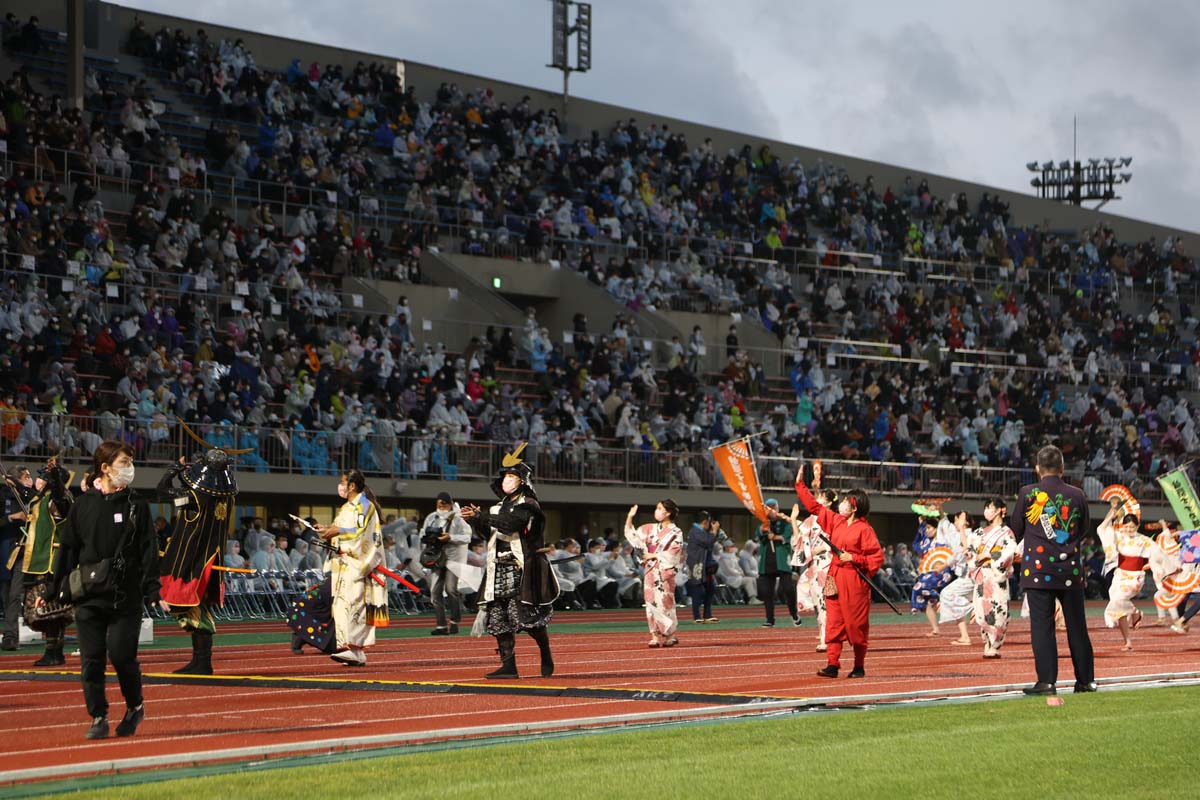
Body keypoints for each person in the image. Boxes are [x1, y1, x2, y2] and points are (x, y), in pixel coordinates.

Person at [51, 441, 160, 740]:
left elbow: (149, 548)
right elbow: (69, 549)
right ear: (105, 468)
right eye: (124, 462)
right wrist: (56, 587)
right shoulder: (83, 505)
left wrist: (153, 588)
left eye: (130, 462)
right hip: (89, 594)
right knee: (92, 658)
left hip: (126, 596)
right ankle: (98, 715)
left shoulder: (137, 505)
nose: (129, 468)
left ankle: (135, 706)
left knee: (122, 655)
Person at [462, 443, 558, 678]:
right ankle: (508, 666)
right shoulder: (495, 508)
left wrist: (481, 516)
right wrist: (475, 521)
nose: (507, 479)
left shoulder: (529, 505)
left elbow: (511, 524)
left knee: (527, 618)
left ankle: (545, 652)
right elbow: (490, 534)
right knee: (498, 618)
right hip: (497, 568)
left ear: (522, 480)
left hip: (522, 567)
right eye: (505, 475)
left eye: (512, 475)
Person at [1011, 445, 1095, 695]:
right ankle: (1085, 681)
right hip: (1070, 571)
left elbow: (1016, 529)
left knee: (1042, 628)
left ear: (1037, 468)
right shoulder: (1077, 494)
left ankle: (1047, 682)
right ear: (1062, 468)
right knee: (1077, 627)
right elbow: (1084, 529)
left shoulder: (1028, 493)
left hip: (1037, 573)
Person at [795, 464, 884, 678]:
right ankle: (832, 664)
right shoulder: (836, 521)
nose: (841, 504)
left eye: (845, 502)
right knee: (833, 621)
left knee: (856, 625)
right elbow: (816, 508)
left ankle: (859, 666)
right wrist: (800, 486)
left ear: (854, 507)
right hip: (834, 577)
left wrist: (853, 557)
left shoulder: (865, 529)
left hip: (854, 582)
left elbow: (876, 558)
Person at [155, 449, 239, 674]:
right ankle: (200, 660)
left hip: (191, 562)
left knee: (196, 611)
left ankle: (203, 662)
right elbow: (201, 485)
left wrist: (174, 470)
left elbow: (162, 493)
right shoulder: (227, 497)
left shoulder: (193, 498)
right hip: (211, 561)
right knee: (197, 609)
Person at [315, 469, 386, 666]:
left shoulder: (365, 505)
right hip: (343, 565)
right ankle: (352, 649)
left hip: (358, 563)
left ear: (352, 486)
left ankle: (356, 649)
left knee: (356, 604)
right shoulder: (346, 508)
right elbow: (340, 529)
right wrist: (327, 531)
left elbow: (362, 533)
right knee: (342, 606)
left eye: (342, 482)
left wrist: (337, 531)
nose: (340, 485)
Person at [13, 460, 74, 666]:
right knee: (46, 610)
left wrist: (56, 479)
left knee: (51, 609)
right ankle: (54, 650)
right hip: (39, 560)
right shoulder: (40, 498)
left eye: (44, 477)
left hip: (51, 560)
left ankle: (54, 651)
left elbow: (61, 499)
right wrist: (13, 482)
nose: (39, 480)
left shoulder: (58, 498)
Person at [624, 499, 684, 647]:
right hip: (651, 570)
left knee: (666, 602)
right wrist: (630, 516)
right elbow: (634, 537)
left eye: (659, 508)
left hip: (665, 571)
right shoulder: (649, 528)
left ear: (668, 512)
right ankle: (655, 636)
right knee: (651, 602)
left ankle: (669, 635)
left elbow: (675, 551)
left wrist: (655, 555)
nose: (656, 511)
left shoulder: (676, 532)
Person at [1096, 501, 1152, 650]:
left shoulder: (1144, 541)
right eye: (1126, 526)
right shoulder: (1118, 536)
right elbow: (1102, 528)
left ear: (1137, 526)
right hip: (1119, 575)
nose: (1128, 529)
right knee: (1118, 605)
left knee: (1118, 600)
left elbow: (1157, 558)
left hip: (1135, 578)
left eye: (1132, 527)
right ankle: (1128, 641)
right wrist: (1111, 512)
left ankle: (1134, 612)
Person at [968, 498, 1018, 659]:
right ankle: (986, 642)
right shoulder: (979, 532)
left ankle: (994, 644)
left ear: (999, 510)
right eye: (986, 507)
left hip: (997, 576)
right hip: (982, 575)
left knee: (998, 610)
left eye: (989, 507)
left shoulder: (1007, 532)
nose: (987, 511)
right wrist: (974, 558)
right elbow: (971, 552)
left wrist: (990, 554)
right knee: (982, 610)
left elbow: (1010, 552)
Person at [790, 491, 836, 652]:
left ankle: (827, 637)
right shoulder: (810, 521)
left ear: (829, 502)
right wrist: (794, 521)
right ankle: (825, 636)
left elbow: (836, 542)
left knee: (828, 604)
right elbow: (798, 543)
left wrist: (820, 549)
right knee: (820, 605)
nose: (817, 499)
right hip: (814, 567)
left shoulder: (832, 518)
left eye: (821, 497)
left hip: (828, 564)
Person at [422, 491, 471, 635]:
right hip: (437, 558)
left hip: (454, 559)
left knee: (451, 590)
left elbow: (467, 537)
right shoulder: (432, 517)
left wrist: (451, 537)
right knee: (434, 593)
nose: (440, 506)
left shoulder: (458, 518)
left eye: (443, 504)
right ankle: (441, 625)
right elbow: (422, 533)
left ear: (450, 504)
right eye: (438, 504)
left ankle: (455, 622)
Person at [1, 466, 35, 651]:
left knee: (15, 595)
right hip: (5, 550)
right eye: (26, 476)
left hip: (24, 550)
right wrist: (12, 517)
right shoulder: (3, 495)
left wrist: (21, 487)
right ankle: (10, 633)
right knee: (6, 596)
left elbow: (35, 496)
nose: (29, 479)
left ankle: (11, 636)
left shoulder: (29, 495)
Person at [936, 509, 975, 646]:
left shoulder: (969, 535)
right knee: (955, 603)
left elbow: (961, 553)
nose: (955, 523)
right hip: (966, 576)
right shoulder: (962, 535)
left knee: (947, 594)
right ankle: (964, 636)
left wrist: (943, 565)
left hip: (969, 577)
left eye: (957, 520)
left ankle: (974, 607)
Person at [757, 498, 798, 628]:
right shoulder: (764, 523)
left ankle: (794, 614)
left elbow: (787, 536)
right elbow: (759, 535)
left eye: (773, 507)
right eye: (769, 508)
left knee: (788, 589)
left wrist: (774, 537)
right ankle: (770, 619)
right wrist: (764, 529)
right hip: (767, 561)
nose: (772, 510)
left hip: (781, 561)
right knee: (767, 592)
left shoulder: (784, 522)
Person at [684, 510, 719, 623]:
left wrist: (715, 532)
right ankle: (697, 616)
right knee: (697, 592)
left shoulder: (702, 531)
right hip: (696, 565)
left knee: (710, 589)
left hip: (705, 566)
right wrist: (714, 531)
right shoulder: (695, 531)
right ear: (705, 521)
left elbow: (713, 540)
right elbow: (708, 542)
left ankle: (707, 615)